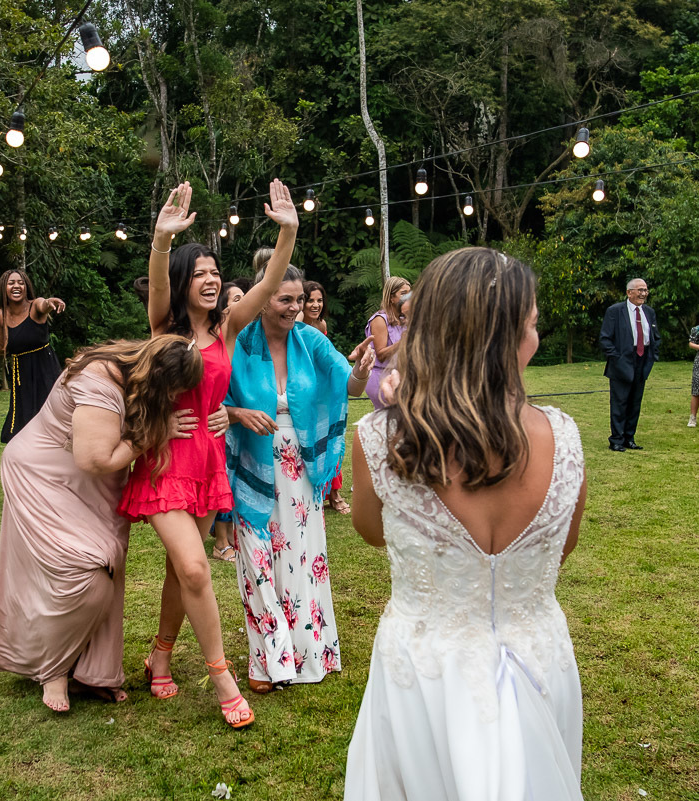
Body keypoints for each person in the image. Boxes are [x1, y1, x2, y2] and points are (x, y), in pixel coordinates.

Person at [345, 247, 588, 799]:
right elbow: (561, 546)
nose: (537, 339)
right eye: (531, 326)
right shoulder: (565, 438)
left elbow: (373, 531)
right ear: (501, 341)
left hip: (424, 663)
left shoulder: (377, 442)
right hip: (536, 657)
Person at [116, 179, 299, 729]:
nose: (213, 280)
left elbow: (268, 283)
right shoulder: (163, 327)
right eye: (201, 274)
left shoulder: (226, 327)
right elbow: (156, 286)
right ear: (182, 283)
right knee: (196, 567)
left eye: (217, 273)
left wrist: (287, 230)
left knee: (182, 570)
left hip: (207, 460)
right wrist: (162, 240)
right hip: (165, 460)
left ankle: (161, 654)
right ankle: (222, 676)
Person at [0, 335, 204, 712]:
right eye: (171, 392)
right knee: (84, 572)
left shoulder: (132, 373)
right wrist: (153, 433)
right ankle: (53, 669)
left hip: (94, 489)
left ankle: (90, 671)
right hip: (45, 478)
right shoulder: (99, 381)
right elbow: (94, 458)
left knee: (107, 571)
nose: (171, 401)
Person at [224, 265, 375, 694]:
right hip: (251, 463)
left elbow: (351, 387)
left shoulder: (310, 341)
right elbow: (213, 399)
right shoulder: (238, 342)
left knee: (299, 560)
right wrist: (238, 414)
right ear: (263, 295)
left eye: (298, 299)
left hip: (299, 469)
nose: (295, 307)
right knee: (257, 560)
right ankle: (266, 657)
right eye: (284, 299)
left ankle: (305, 653)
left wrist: (362, 369)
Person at [0, 270, 65, 443]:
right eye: (11, 283)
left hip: (44, 370)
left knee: (50, 418)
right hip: (22, 375)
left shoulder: (35, 306)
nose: (16, 286)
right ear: (4, 288)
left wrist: (51, 302)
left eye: (21, 282)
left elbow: (44, 304)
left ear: (26, 287)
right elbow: (2, 347)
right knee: (24, 424)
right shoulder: (1, 315)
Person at [296, 279, 350, 514]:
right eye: (310, 300)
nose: (315, 305)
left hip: (323, 389)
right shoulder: (295, 324)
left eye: (319, 300)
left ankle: (334, 492)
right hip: (304, 390)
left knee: (332, 435)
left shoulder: (321, 325)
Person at [208, 282, 247, 563]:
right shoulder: (219, 340)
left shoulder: (247, 339)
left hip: (243, 423)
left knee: (236, 483)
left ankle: (232, 536)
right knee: (225, 481)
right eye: (236, 299)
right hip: (223, 423)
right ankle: (220, 542)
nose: (243, 303)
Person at [599, 278, 659, 451]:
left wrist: (653, 355)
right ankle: (616, 440)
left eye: (645, 290)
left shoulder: (649, 311)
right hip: (622, 361)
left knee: (635, 402)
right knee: (619, 402)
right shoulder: (615, 311)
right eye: (640, 290)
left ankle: (629, 438)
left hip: (643, 360)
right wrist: (616, 358)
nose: (643, 294)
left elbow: (654, 335)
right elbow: (605, 338)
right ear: (629, 292)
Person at [364, 277, 410, 410]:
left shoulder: (404, 320)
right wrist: (403, 341)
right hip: (382, 377)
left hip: (400, 376)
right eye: (403, 293)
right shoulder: (380, 320)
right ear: (391, 297)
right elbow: (381, 355)